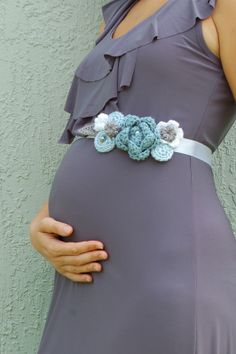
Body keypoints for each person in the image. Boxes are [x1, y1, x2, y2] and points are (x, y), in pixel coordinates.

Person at [29, 0, 236, 353]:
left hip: (166, 262)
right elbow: (96, 129)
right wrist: (45, 222)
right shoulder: (117, 15)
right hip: (84, 274)